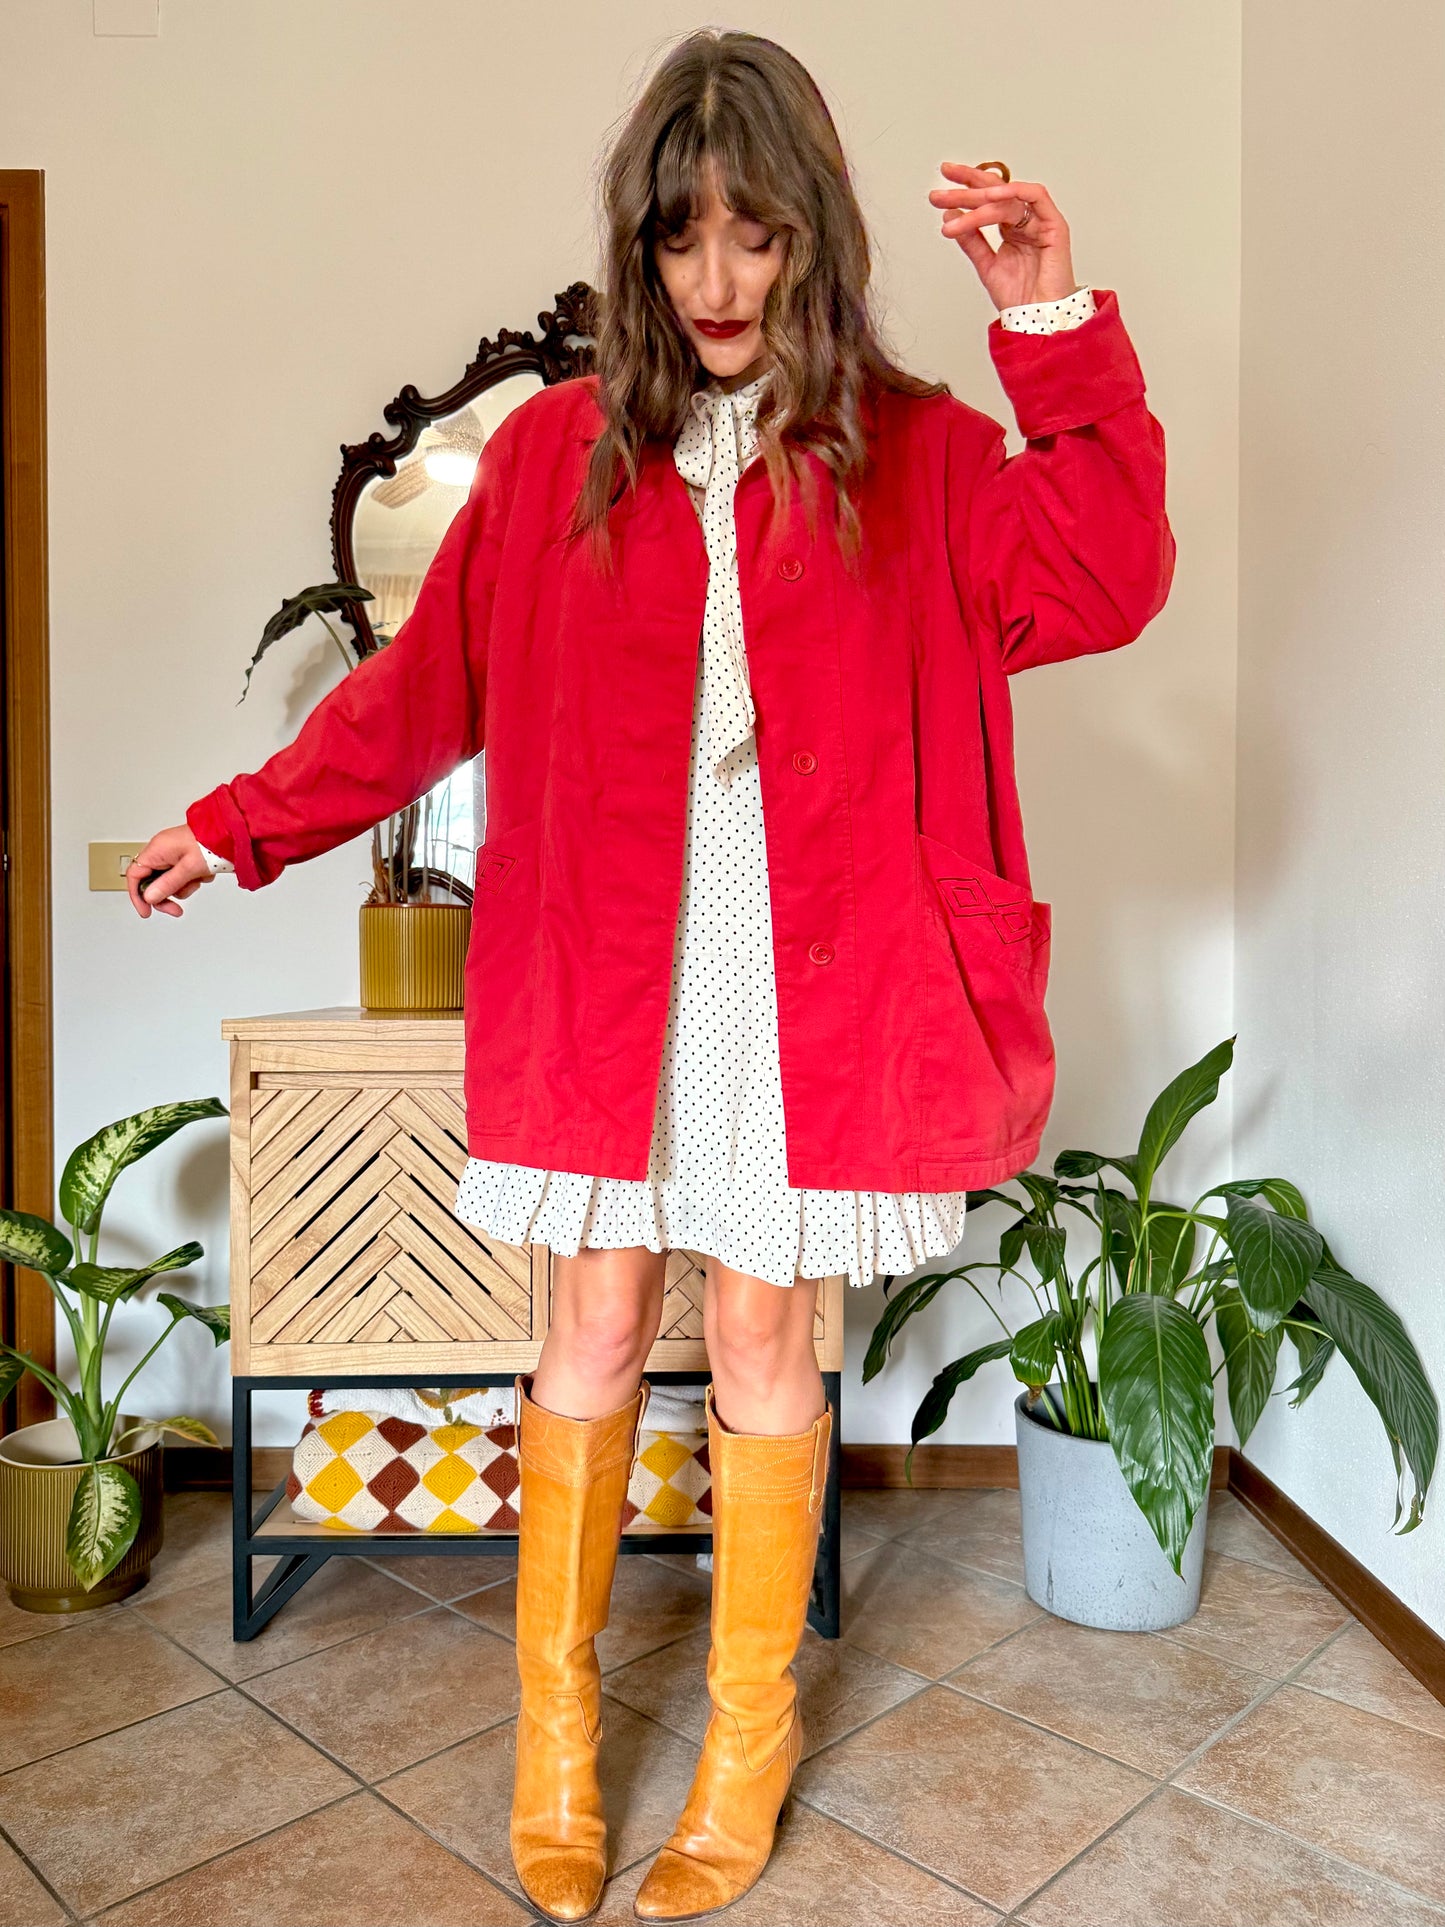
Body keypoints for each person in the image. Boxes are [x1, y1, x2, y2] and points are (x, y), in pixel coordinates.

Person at [129, 28, 1174, 1922]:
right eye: (682, 241)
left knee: (768, 1344)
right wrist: (247, 817)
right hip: (607, 973)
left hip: (812, 984)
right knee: (591, 1330)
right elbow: (416, 693)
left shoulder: (924, 454)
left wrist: (1051, 327)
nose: (714, 286)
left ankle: (742, 1757)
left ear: (815, 245)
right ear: (638, 247)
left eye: (755, 241)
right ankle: (551, 1750)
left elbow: (1105, 573)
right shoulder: (546, 462)